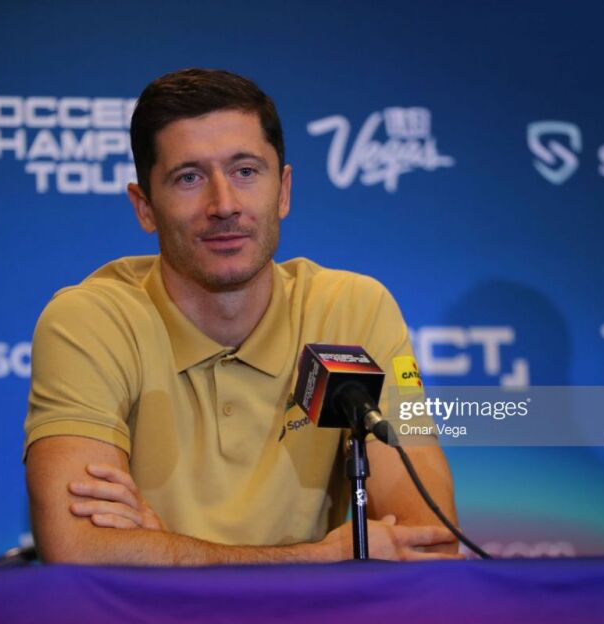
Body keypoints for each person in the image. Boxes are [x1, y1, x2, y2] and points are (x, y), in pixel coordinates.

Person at [23, 68, 460, 565]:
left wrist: (162, 555)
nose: (224, 205)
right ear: (145, 207)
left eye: (245, 172)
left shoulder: (354, 311)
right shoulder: (90, 322)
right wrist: (319, 559)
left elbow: (430, 542)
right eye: (189, 178)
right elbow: (77, 547)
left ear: (283, 190)